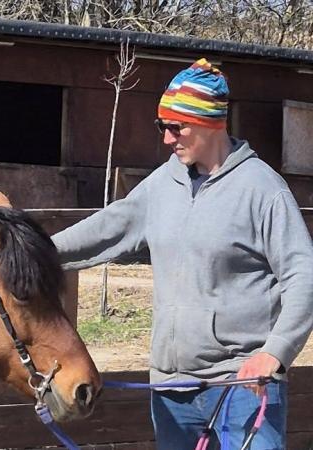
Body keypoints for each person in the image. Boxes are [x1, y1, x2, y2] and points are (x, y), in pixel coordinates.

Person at [52, 58, 313, 449]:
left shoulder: (263, 189)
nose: (167, 138)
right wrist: (36, 250)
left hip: (243, 386)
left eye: (177, 127)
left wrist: (274, 353)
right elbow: (107, 228)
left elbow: (303, 275)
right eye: (163, 126)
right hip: (172, 389)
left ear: (211, 123)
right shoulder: (162, 184)